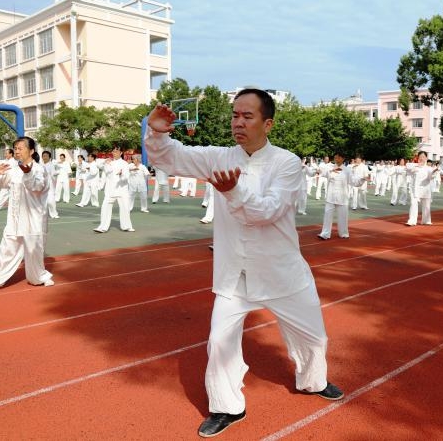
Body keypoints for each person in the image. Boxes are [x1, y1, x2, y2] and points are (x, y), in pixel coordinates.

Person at [145, 89, 344, 438]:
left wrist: (233, 192)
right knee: (219, 341)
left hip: (282, 272)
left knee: (313, 338)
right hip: (234, 273)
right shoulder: (219, 157)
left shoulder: (287, 163)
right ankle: (226, 407)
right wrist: (158, 132)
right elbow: (170, 158)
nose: (238, 122)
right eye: (235, 115)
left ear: (268, 123)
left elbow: (267, 212)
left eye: (247, 116)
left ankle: (313, 381)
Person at [0, 137, 54, 291]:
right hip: (14, 220)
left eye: (21, 148)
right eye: (16, 148)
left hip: (33, 220)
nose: (17, 151)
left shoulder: (40, 170)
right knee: (6, 249)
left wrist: (27, 173)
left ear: (32, 151)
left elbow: (37, 187)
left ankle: (40, 277)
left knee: (34, 253)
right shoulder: (13, 169)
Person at [317, 152, 368, 239]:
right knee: (327, 215)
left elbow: (354, 181)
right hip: (330, 196)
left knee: (343, 217)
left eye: (338, 158)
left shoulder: (347, 170)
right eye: (335, 158)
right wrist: (331, 170)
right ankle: (325, 234)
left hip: (343, 197)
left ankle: (344, 233)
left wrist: (362, 179)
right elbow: (322, 172)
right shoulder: (330, 168)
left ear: (343, 159)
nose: (336, 159)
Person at [93, 146, 134, 233]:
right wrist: (105, 161)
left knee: (125, 208)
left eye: (116, 151)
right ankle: (102, 227)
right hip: (110, 190)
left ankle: (127, 226)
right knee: (105, 207)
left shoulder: (124, 164)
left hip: (122, 190)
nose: (114, 153)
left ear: (121, 153)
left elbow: (126, 177)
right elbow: (98, 165)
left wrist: (121, 174)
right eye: (113, 151)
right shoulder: (108, 163)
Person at [405, 151, 438, 226]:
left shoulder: (429, 168)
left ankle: (426, 220)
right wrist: (417, 164)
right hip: (415, 189)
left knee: (426, 205)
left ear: (426, 158)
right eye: (420, 157)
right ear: (418, 158)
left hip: (425, 189)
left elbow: (430, 177)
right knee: (414, 204)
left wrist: (433, 172)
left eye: (423, 157)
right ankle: (412, 221)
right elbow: (407, 166)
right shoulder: (413, 166)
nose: (422, 158)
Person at [40, 151, 60, 219]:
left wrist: (55, 174)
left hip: (50, 186)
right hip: (42, 186)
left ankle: (54, 214)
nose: (44, 157)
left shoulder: (51, 165)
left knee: (51, 201)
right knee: (42, 201)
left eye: (46, 156)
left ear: (49, 157)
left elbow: (53, 174)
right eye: (43, 156)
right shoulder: (40, 165)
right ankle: (43, 213)